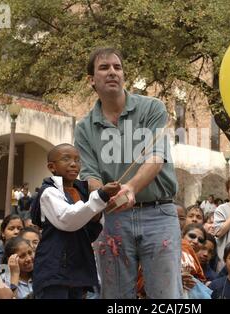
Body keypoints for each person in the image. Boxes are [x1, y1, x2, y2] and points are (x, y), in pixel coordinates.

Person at [75, 47, 181, 299]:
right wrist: (102, 194)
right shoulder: (84, 128)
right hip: (112, 218)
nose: (112, 72)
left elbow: (156, 157)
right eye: (104, 67)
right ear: (91, 79)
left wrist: (131, 187)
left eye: (117, 67)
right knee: (115, 297)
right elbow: (90, 175)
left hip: (159, 214)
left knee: (166, 297)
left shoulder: (152, 108)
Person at [31, 143, 120, 299]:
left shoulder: (82, 192)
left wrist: (99, 212)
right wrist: (100, 197)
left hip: (77, 269)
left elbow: (89, 232)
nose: (74, 164)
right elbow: (68, 219)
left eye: (77, 160)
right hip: (55, 269)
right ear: (52, 167)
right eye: (66, 159)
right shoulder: (49, 191)